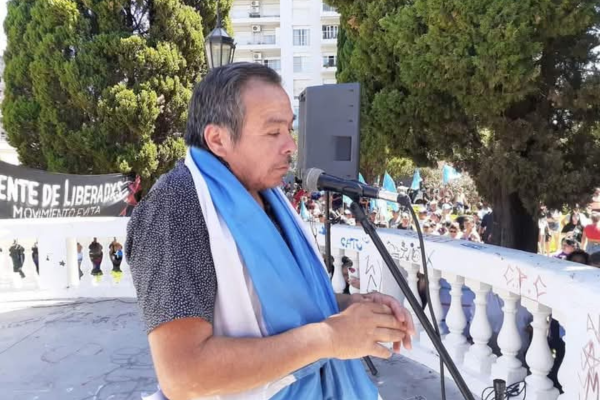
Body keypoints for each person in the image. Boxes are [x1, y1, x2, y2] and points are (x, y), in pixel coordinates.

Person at [125, 63, 414, 400]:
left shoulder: (268, 195)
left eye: (289, 129)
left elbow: (268, 306)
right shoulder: (177, 204)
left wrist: (349, 306)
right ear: (218, 139)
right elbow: (184, 376)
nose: (291, 145)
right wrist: (330, 337)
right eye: (273, 132)